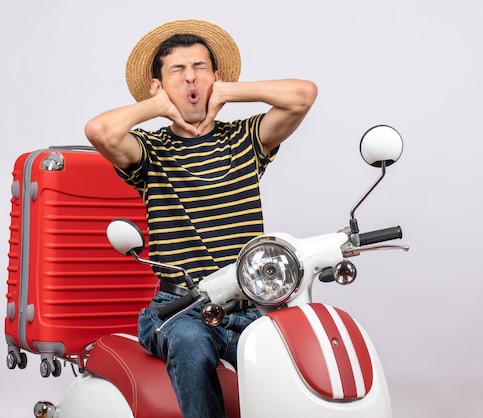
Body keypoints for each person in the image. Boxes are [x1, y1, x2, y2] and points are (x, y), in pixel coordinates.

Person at [85, 19, 317, 418]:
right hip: (178, 308)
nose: (191, 76)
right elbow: (99, 130)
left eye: (201, 68)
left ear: (216, 77)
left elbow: (303, 95)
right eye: (177, 70)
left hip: (250, 306)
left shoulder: (245, 140)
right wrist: (159, 104)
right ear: (158, 85)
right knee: (191, 343)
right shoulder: (150, 152)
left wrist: (228, 92)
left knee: (302, 346)